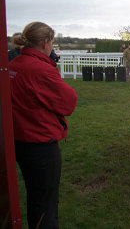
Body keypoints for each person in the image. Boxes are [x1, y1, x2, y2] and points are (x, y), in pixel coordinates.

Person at [9, 22, 77, 228]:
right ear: (46, 42)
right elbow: (69, 102)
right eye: (52, 41)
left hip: (19, 139)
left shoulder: (14, 65)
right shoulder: (40, 69)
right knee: (46, 204)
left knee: (35, 197)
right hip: (40, 144)